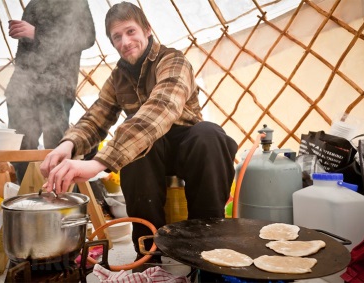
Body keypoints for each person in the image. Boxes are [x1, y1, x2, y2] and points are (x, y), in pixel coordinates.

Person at [40, 1, 238, 270]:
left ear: (147, 30)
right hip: (149, 153)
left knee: (210, 134)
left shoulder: (173, 60)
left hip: (188, 146)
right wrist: (67, 144)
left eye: (130, 31)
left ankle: (206, 246)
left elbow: (162, 108)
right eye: (117, 37)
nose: (125, 41)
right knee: (136, 143)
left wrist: (97, 163)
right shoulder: (117, 77)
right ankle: (148, 252)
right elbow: (96, 117)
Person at [5, 0, 95, 184]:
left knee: (57, 149)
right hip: (23, 88)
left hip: (55, 87)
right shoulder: (34, 3)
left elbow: (86, 37)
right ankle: (27, 202)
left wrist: (36, 33)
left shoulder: (75, 3)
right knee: (20, 150)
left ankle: (65, 205)